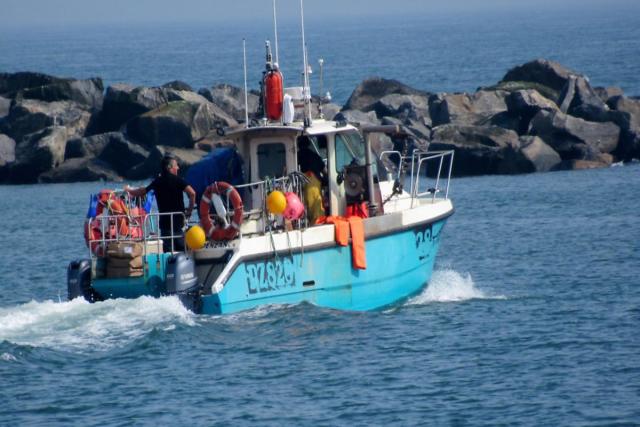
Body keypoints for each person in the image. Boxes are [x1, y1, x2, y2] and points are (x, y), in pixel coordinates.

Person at [125, 155, 196, 252]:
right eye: (176, 166)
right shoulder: (178, 180)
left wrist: (129, 190)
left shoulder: (158, 181)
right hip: (178, 222)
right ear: (169, 167)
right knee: (182, 250)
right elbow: (192, 193)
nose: (178, 168)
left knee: (168, 251)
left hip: (165, 223)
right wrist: (190, 211)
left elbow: (142, 192)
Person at [297, 136, 326, 223]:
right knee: (315, 207)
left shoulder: (296, 155)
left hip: (303, 182)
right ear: (308, 144)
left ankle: (311, 222)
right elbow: (324, 170)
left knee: (306, 206)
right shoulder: (314, 155)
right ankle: (317, 223)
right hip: (313, 183)